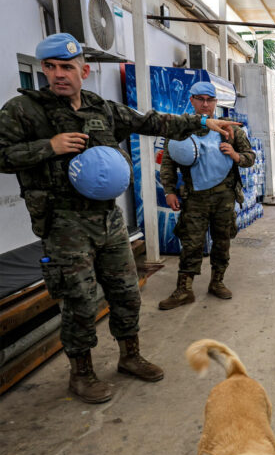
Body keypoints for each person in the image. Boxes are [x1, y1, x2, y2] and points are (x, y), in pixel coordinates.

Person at [0, 33, 241, 404]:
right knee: (78, 301)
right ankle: (81, 375)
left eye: (67, 66)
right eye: (51, 67)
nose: (59, 74)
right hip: (63, 225)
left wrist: (204, 124)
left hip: (108, 220)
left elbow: (153, 122)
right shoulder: (22, 111)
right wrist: (48, 146)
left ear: (85, 69)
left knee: (127, 293)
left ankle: (130, 356)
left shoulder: (103, 109)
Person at [158, 82, 256, 309]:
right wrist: (170, 190)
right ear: (191, 100)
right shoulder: (180, 130)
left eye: (209, 100)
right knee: (191, 243)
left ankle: (217, 282)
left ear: (215, 102)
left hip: (224, 198)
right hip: (195, 199)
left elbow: (250, 157)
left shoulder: (231, 130)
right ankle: (184, 289)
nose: (205, 104)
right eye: (200, 99)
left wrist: (234, 155)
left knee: (222, 241)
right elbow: (168, 162)